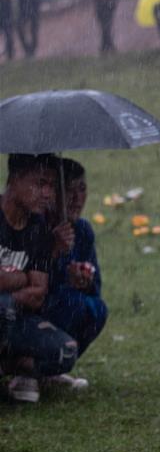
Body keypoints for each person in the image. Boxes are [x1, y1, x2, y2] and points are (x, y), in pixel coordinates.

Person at [1, 155, 78, 404]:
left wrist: (9, 286)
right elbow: (30, 285)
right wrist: (23, 278)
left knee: (65, 352)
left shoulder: (38, 229)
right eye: (40, 183)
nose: (47, 193)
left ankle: (11, 366)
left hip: (14, 319)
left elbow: (37, 294)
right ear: (14, 179)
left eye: (52, 186)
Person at [42, 159, 107, 373]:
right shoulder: (37, 227)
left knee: (96, 309)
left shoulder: (83, 231)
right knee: (71, 303)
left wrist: (84, 280)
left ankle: (52, 370)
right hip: (38, 310)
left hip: (70, 305)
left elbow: (95, 289)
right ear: (53, 194)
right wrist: (53, 252)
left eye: (82, 189)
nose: (77, 199)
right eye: (69, 190)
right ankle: (28, 368)